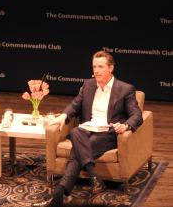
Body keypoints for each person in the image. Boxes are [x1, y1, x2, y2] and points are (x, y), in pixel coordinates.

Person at [33, 50, 143, 207]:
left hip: (107, 133)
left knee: (76, 150)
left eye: (100, 67)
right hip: (86, 129)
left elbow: (137, 115)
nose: (96, 70)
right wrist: (63, 117)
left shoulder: (125, 89)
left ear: (111, 68)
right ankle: (93, 177)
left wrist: (126, 125)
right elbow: (75, 105)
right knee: (76, 131)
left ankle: (59, 193)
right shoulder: (88, 85)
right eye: (94, 67)